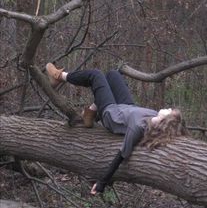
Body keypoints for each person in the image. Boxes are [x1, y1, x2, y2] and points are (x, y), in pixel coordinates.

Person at [46, 63, 188, 195]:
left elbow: (121, 155)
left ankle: (58, 76)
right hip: (125, 107)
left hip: (110, 113)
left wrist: (102, 182)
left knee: (95, 75)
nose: (169, 108)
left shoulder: (138, 127)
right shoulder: (155, 115)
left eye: (170, 111)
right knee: (113, 75)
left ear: (165, 120)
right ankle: (90, 113)